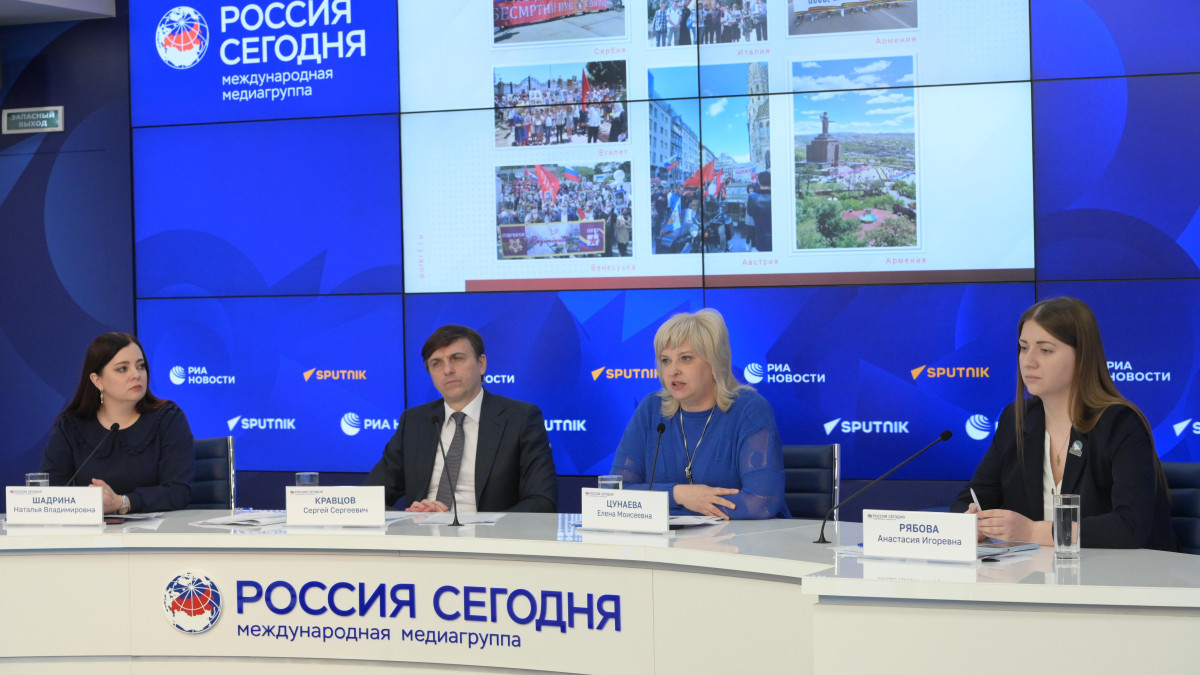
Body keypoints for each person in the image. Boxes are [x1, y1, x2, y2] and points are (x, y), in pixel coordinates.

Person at [952, 298, 1176, 550]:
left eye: (1045, 350)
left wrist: (1033, 531)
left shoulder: (1120, 423)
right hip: (1037, 571)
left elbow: (1130, 528)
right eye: (1024, 348)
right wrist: (969, 523)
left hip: (1121, 571)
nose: (1028, 361)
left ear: (1082, 356)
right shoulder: (1016, 418)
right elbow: (971, 497)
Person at [611, 309, 789, 519]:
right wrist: (678, 495)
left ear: (714, 362)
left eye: (685, 358)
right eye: (665, 360)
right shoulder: (652, 409)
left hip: (746, 538)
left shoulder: (749, 409)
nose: (673, 371)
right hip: (674, 538)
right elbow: (615, 494)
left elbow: (761, 502)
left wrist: (673, 507)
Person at [366, 325, 557, 513]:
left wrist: (478, 525)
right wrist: (408, 520)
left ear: (481, 364)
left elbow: (542, 501)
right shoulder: (414, 421)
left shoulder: (521, 418)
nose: (447, 370)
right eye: (436, 363)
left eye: (457, 358)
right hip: (422, 530)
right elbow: (368, 498)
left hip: (488, 532)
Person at [41, 332, 194, 514]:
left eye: (140, 366)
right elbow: (49, 493)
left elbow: (178, 491)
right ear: (97, 380)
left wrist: (122, 502)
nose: (136, 375)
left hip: (159, 529)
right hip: (94, 530)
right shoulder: (71, 425)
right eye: (122, 369)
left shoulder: (168, 418)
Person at [746, 170, 772, 252]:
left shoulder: (752, 198)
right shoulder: (778, 197)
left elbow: (750, 213)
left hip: (760, 238)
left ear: (758, 182)